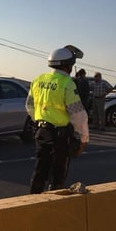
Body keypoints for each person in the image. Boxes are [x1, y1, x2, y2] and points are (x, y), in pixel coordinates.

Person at [25, 45, 89, 194]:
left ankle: (33, 200)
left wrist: (41, 121)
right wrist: (83, 139)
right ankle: (54, 204)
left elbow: (29, 106)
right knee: (58, 172)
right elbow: (78, 115)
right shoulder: (67, 83)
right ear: (68, 65)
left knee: (41, 168)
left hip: (41, 131)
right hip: (60, 135)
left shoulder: (38, 79)